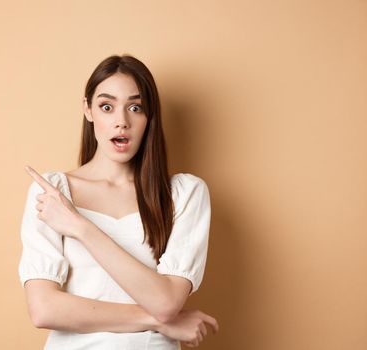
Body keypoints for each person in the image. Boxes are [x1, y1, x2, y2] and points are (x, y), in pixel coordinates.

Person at [18, 54, 219, 349]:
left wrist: (80, 227)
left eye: (135, 108)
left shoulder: (183, 194)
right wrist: (157, 320)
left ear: (149, 116)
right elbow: (44, 309)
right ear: (88, 110)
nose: (121, 122)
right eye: (107, 107)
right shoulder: (52, 193)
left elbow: (165, 302)